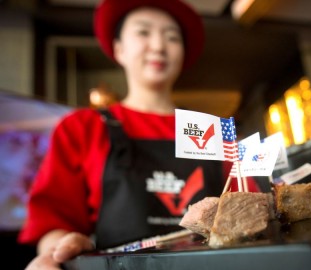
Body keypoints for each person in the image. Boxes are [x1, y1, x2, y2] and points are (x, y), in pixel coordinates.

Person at [18, 1, 257, 269]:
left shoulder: (213, 131)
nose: (158, 46)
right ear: (119, 49)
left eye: (172, 37)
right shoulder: (83, 126)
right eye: (143, 33)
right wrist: (57, 251)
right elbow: (54, 221)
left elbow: (247, 207)